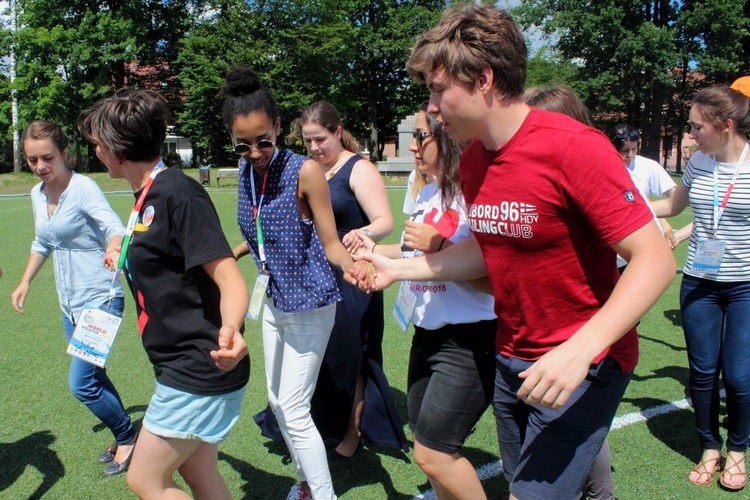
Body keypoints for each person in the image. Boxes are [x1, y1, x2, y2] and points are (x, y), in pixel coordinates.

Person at [351, 5, 676, 499]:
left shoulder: (574, 147)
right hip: (512, 356)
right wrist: (397, 267)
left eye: (439, 90)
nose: (432, 108)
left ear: (483, 78)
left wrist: (580, 350)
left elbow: (655, 259)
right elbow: (488, 252)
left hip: (586, 364)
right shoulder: (477, 157)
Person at [78, 88, 250, 498]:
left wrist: (232, 328)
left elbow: (229, 277)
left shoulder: (178, 192)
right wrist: (123, 248)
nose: (96, 150)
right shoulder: (149, 194)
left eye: (98, 143)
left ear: (116, 150)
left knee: (144, 479)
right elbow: (163, 254)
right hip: (181, 361)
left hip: (199, 365)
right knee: (199, 473)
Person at [222, 66, 374, 500]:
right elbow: (261, 233)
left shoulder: (305, 171)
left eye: (264, 140)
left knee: (291, 405)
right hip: (273, 300)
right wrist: (229, 255)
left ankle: (321, 495)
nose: (255, 151)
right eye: (244, 144)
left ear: (277, 127)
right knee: (275, 401)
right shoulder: (246, 171)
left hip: (310, 302)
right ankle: (308, 484)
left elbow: (330, 241)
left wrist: (354, 269)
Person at [352, 101, 497, 498]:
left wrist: (442, 244)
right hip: (427, 334)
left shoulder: (477, 193)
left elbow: (492, 271)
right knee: (427, 446)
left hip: (469, 340)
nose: (412, 146)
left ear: (448, 138)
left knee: (434, 453)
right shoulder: (429, 192)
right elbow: (411, 251)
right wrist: (373, 255)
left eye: (420, 136)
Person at [11, 120, 137, 476]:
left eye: (47, 158)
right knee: (94, 377)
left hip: (100, 299)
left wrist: (115, 247)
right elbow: (43, 241)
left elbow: (115, 228)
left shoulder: (84, 189)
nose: (41, 167)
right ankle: (122, 429)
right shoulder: (38, 194)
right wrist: (25, 282)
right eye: (33, 160)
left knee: (82, 384)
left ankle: (128, 436)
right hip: (70, 305)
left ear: (65, 153)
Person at [285, 101, 407, 460]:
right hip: (313, 275)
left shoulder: (359, 167)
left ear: (338, 131)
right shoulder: (307, 170)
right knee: (318, 353)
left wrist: (363, 233)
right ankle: (324, 422)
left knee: (349, 353)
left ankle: (352, 434)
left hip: (352, 273)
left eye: (320, 139)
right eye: (308, 141)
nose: (314, 148)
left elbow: (385, 220)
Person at [651, 85, 750, 491]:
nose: (690, 135)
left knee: (740, 378)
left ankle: (738, 451)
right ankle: (710, 447)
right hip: (698, 283)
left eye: (696, 127)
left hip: (745, 287)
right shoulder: (698, 163)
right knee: (703, 373)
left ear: (725, 126)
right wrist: (620, 204)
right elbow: (674, 206)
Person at [524, 85, 615, 500]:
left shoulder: (588, 165)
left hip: (581, 337)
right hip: (532, 334)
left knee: (575, 438)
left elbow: (645, 250)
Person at [608, 124, 677, 262]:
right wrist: (662, 221)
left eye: (634, 149)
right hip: (612, 246)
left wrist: (662, 218)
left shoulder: (648, 166)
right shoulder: (605, 167)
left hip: (641, 244)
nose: (630, 155)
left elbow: (675, 195)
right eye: (625, 150)